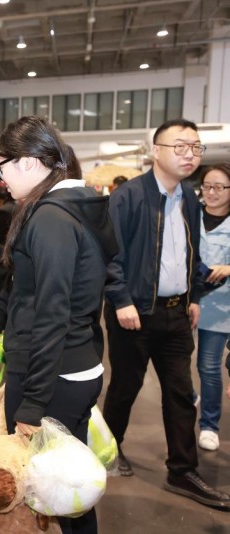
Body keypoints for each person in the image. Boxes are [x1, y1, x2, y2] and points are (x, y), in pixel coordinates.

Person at [0, 116, 117, 534]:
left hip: (53, 376)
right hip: (74, 367)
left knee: (45, 493)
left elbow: (52, 313)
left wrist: (33, 405)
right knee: (68, 489)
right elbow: (30, 288)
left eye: (2, 165)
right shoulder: (74, 207)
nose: (1, 177)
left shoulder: (51, 218)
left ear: (26, 162)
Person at [101, 119, 230, 510]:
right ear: (156, 151)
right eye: (180, 146)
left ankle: (182, 471)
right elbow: (108, 252)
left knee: (180, 392)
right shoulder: (128, 196)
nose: (189, 154)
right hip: (134, 313)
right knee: (125, 387)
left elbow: (188, 253)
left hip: (176, 313)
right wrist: (121, 299)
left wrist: (194, 295)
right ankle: (108, 451)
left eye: (195, 147)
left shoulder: (189, 196)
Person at [195, 163, 230, 451]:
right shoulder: (190, 215)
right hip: (185, 302)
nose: (212, 192)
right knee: (172, 364)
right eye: (207, 186)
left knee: (208, 366)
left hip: (220, 308)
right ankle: (190, 396)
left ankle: (209, 425)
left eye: (219, 187)